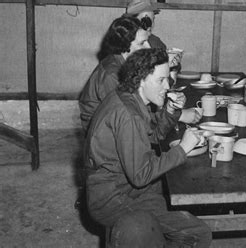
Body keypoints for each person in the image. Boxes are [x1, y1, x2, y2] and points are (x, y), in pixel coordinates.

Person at [84, 48, 212, 247]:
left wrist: (169, 110)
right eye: (161, 80)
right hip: (111, 198)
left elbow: (152, 135)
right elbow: (141, 175)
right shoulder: (129, 115)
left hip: (125, 188)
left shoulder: (129, 97)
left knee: (193, 227)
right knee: (199, 235)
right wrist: (183, 149)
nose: (167, 85)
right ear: (141, 80)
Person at [79, 15, 199, 133]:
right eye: (142, 43)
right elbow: (132, 116)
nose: (148, 47)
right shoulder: (112, 75)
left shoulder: (126, 63)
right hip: (104, 134)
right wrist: (178, 116)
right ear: (125, 47)